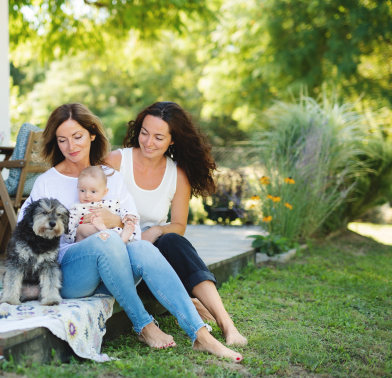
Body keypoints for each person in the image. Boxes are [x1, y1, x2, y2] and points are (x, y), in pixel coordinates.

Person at [18, 103, 242, 361]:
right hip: (66, 273)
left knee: (143, 247)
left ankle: (201, 336)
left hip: (110, 271)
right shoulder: (48, 181)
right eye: (62, 140)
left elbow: (133, 235)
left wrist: (115, 221)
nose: (71, 146)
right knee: (105, 239)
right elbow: (25, 236)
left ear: (92, 135)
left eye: (77, 137)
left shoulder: (111, 177)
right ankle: (144, 326)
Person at [104, 101, 248, 346]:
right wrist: (137, 233)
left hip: (156, 255)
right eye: (144, 133)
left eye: (159, 137)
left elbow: (179, 225)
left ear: (172, 140)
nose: (149, 142)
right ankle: (189, 301)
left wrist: (157, 229)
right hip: (117, 250)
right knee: (159, 246)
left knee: (172, 240)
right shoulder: (115, 162)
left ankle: (227, 324)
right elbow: (97, 212)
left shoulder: (177, 174)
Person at [66, 165, 140, 244]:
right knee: (82, 228)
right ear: (78, 188)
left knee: (118, 229)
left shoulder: (110, 204)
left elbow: (121, 211)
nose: (87, 195)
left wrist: (127, 216)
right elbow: (68, 227)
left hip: (111, 234)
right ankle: (102, 231)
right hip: (89, 240)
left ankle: (121, 238)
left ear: (104, 192)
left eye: (93, 191)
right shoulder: (76, 208)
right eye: (82, 190)